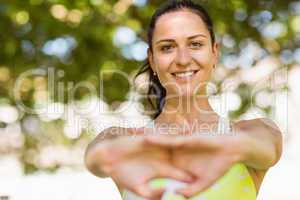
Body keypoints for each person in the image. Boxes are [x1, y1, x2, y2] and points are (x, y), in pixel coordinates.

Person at [84, 0, 283, 199]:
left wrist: (231, 146)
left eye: (195, 44)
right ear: (152, 60)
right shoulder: (132, 145)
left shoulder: (249, 134)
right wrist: (106, 154)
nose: (183, 59)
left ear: (214, 52)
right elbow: (99, 152)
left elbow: (268, 144)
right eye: (167, 47)